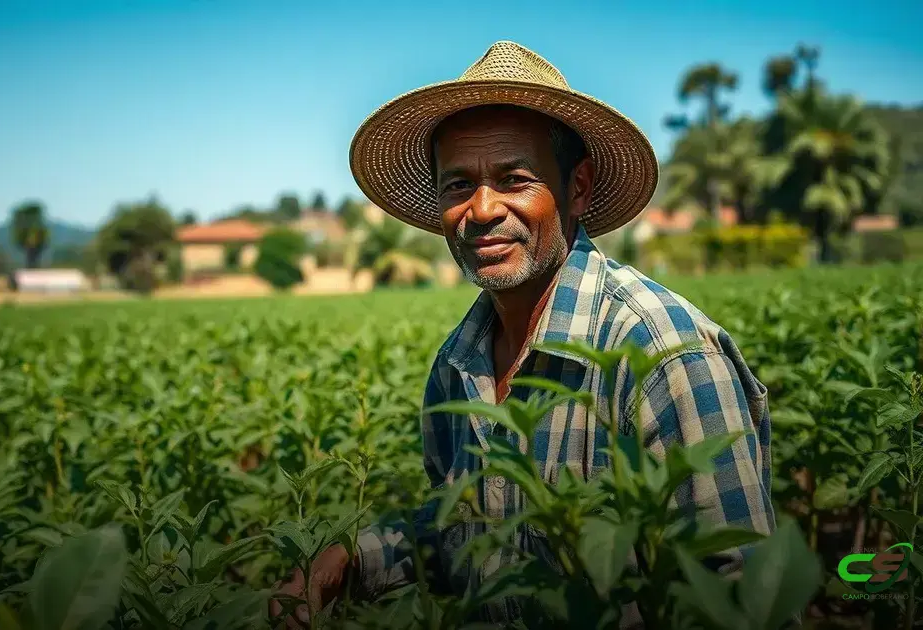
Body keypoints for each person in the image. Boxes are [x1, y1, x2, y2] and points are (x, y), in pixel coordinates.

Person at [271, 40, 774, 627]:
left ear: (577, 188)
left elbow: (743, 596)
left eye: (514, 179)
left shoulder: (663, 353)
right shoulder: (458, 366)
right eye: (457, 185)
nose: (481, 210)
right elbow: (464, 531)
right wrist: (350, 560)